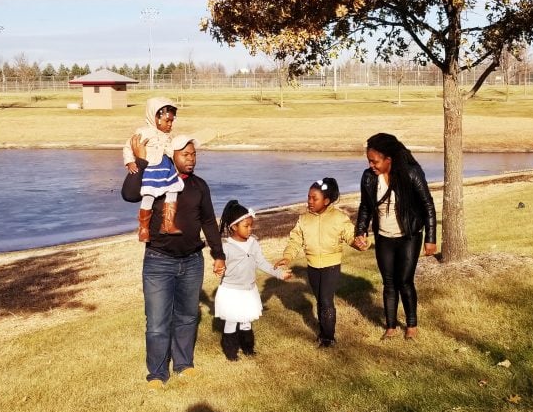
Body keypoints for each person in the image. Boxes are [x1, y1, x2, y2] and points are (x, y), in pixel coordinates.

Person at [123, 133, 226, 388]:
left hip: (192, 261)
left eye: (193, 155)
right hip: (159, 261)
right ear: (172, 155)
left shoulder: (199, 186)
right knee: (157, 322)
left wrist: (218, 253)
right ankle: (157, 374)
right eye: (185, 155)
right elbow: (129, 194)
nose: (191, 159)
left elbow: (209, 221)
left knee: (187, 316)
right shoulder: (157, 179)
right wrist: (141, 162)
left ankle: (183, 364)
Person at [352, 133, 437, 340]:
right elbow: (365, 206)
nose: (371, 165)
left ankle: (411, 325)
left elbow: (428, 205)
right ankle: (390, 326)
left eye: (375, 161)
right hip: (383, 238)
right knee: (388, 282)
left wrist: (430, 238)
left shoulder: (411, 173)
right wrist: (360, 231)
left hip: (409, 236)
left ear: (388, 159)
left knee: (405, 281)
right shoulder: (369, 177)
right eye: (369, 161)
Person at [274, 178, 358, 348]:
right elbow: (295, 240)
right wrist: (287, 256)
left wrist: (359, 243)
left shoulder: (339, 217)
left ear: (326, 201)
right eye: (308, 197)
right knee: (320, 300)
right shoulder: (304, 219)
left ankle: (328, 338)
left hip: (331, 266)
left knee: (326, 300)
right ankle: (323, 332)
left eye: (314, 198)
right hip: (312, 266)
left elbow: (350, 236)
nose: (309, 201)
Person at [214, 200, 293, 361]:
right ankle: (231, 353)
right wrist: (219, 268)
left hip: (249, 290)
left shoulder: (253, 243)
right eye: (246, 226)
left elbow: (262, 262)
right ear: (234, 227)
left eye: (251, 225)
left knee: (246, 320)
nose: (250, 229)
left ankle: (248, 348)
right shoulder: (226, 247)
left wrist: (279, 274)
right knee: (232, 320)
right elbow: (219, 264)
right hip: (232, 291)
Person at [124, 97, 186, 241]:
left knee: (173, 191)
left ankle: (168, 223)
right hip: (151, 170)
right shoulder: (143, 132)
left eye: (172, 121)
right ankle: (144, 229)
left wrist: (178, 166)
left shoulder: (167, 136)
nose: (170, 124)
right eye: (167, 121)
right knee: (148, 195)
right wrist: (130, 162)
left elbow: (172, 152)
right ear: (156, 118)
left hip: (167, 169)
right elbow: (128, 147)